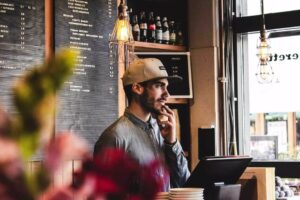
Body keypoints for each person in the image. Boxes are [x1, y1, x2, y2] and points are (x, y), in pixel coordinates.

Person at [94, 57, 190, 190]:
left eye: (166, 87)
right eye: (159, 86)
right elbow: (102, 193)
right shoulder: (114, 137)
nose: (167, 94)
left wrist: (172, 143)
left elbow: (184, 182)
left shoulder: (164, 132)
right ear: (137, 88)